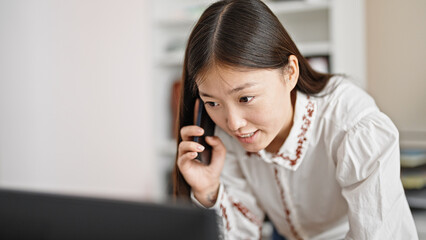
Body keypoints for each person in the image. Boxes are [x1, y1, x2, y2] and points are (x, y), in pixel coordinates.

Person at [172, 0, 418, 239]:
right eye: (212, 102)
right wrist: (208, 191)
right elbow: (242, 232)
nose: (233, 123)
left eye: (245, 98)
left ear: (290, 73)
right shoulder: (226, 134)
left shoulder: (352, 125)